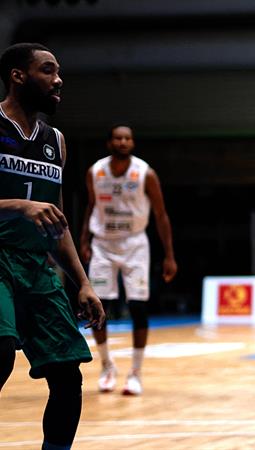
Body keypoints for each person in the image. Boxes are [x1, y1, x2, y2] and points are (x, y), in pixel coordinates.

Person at [0, 42, 105, 450]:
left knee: (67, 376)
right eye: (48, 70)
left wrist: (83, 282)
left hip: (36, 266)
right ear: (18, 75)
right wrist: (20, 206)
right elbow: (33, 209)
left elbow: (56, 222)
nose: (58, 79)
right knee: (1, 351)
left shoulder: (56, 141)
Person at [79, 124, 177, 396]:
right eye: (118, 138)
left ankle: (135, 372)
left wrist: (169, 255)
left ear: (132, 143)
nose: (123, 142)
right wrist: (84, 240)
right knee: (99, 307)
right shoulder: (95, 171)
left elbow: (161, 215)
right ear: (109, 142)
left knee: (138, 307)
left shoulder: (146, 173)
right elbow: (90, 207)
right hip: (103, 244)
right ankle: (107, 365)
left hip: (135, 244)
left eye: (127, 138)